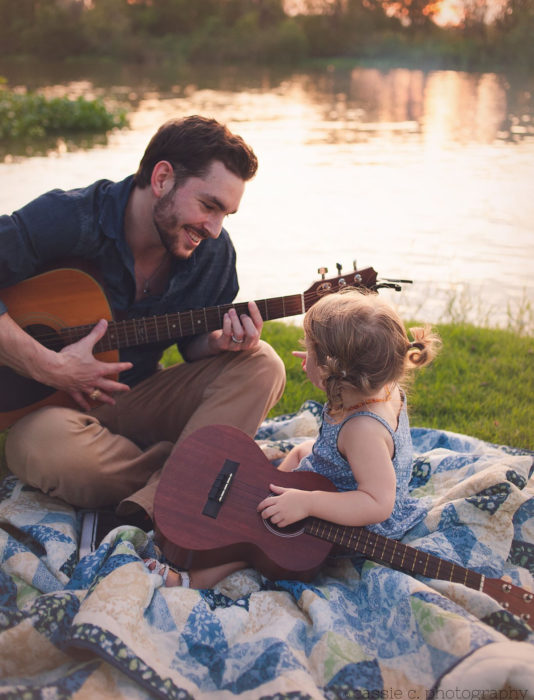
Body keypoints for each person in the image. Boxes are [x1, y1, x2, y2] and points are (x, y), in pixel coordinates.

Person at [0, 115, 286, 526]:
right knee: (40, 449)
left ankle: (170, 492)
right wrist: (52, 367)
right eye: (208, 206)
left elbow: (193, 344)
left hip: (137, 397)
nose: (214, 228)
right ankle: (198, 470)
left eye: (226, 214)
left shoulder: (213, 253)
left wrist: (217, 343)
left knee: (264, 364)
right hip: (52, 412)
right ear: (162, 179)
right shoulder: (72, 217)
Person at [154, 287, 440, 588]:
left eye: (312, 351)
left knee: (259, 541)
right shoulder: (376, 382)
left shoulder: (363, 430)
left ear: (335, 371)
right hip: (340, 479)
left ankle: (189, 579)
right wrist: (320, 362)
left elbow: (378, 503)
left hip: (355, 519)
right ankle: (268, 494)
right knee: (303, 451)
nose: (307, 355)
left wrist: (308, 503)